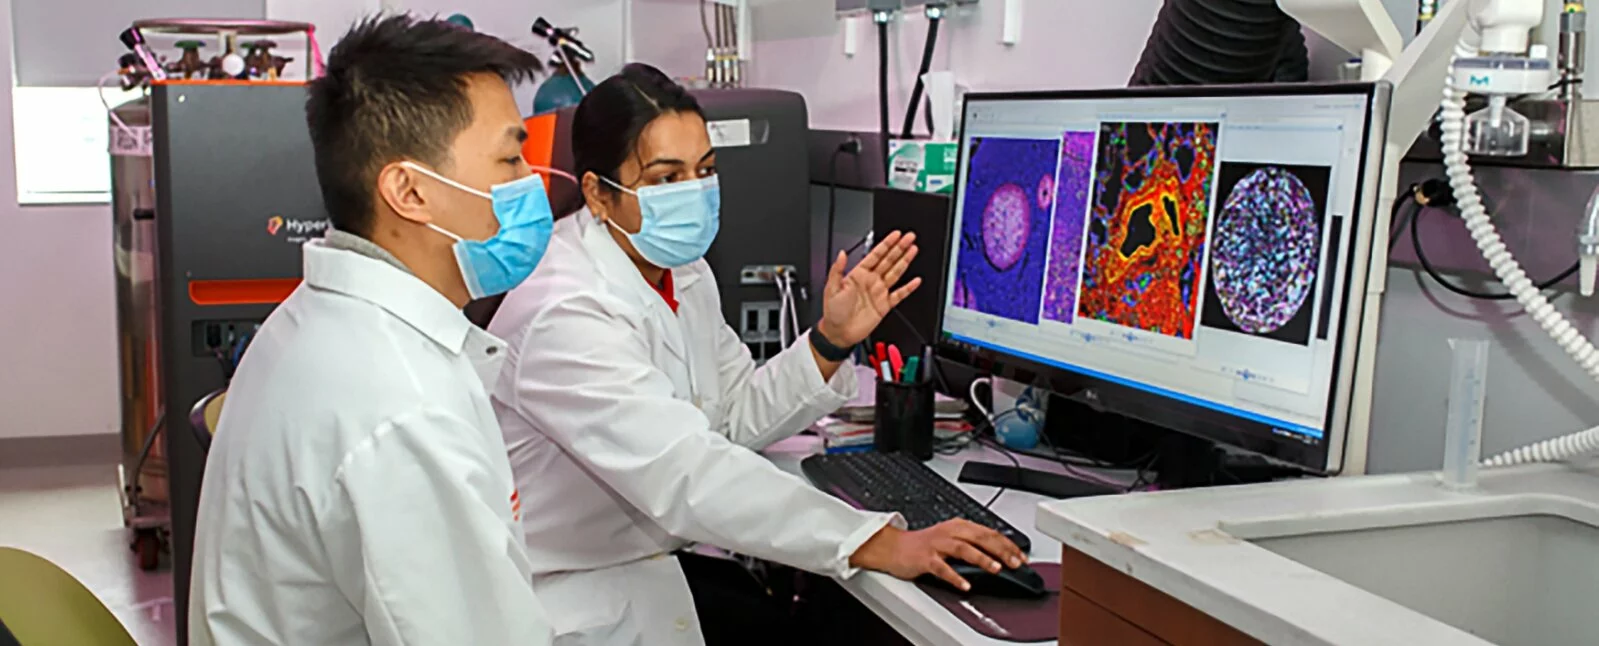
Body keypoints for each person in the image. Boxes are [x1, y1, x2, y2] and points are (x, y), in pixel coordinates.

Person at [486, 63, 1025, 645]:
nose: (693, 193)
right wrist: (879, 542)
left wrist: (829, 340)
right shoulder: (564, 309)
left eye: (705, 170)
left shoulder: (679, 269)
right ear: (598, 193)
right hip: (573, 594)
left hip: (653, 559)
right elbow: (685, 472)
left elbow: (731, 415)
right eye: (666, 179)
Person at [188, 16, 556, 645]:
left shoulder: (321, 322)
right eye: (509, 155)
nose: (531, 180)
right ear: (410, 191)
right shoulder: (403, 408)